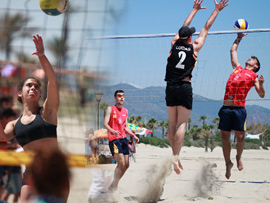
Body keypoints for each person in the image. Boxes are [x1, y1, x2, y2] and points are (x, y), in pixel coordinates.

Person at [164, 0, 229, 174]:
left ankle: (173, 154)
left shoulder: (173, 44)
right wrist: (216, 10)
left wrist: (193, 10)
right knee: (182, 123)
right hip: (184, 87)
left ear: (180, 36)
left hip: (170, 86)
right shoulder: (195, 47)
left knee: (172, 122)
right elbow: (206, 28)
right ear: (190, 38)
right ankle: (176, 156)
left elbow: (183, 27)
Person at [0, 34, 64, 201]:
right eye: (29, 85)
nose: (33, 88)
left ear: (40, 93)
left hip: (55, 172)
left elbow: (53, 81)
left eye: (36, 87)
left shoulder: (47, 112)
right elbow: (2, 137)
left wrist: (42, 56)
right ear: (20, 93)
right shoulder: (14, 124)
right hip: (31, 174)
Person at [218, 33, 265, 179]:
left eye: (253, 59)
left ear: (255, 66)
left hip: (239, 109)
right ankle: (228, 163)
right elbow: (233, 51)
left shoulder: (254, 76)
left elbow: (261, 94)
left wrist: (262, 85)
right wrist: (239, 38)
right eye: (250, 58)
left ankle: (238, 157)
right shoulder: (237, 68)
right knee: (225, 138)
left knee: (240, 137)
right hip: (226, 108)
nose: (250, 59)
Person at [104, 90, 139, 192]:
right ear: (115, 98)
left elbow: (126, 128)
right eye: (119, 96)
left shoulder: (125, 111)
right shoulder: (110, 109)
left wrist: (134, 135)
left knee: (127, 165)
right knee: (122, 163)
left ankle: (113, 184)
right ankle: (114, 186)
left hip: (123, 139)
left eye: (123, 96)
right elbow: (105, 124)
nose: (121, 98)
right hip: (114, 140)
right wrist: (112, 131)